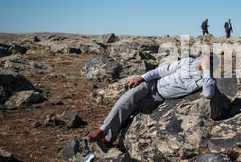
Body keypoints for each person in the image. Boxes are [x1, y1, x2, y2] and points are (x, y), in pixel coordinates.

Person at [87, 55, 217, 146]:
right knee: (128, 99)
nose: (203, 63)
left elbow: (208, 94)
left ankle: (109, 139)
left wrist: (206, 71)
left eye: (208, 64)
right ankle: (102, 129)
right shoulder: (189, 62)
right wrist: (142, 78)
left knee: (131, 110)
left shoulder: (205, 81)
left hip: (158, 98)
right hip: (151, 85)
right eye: (205, 60)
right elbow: (162, 70)